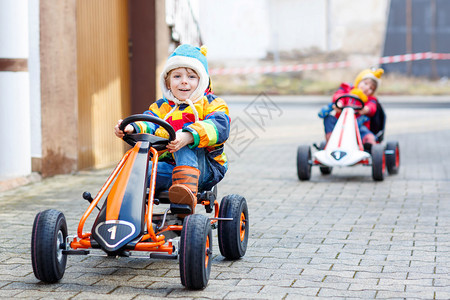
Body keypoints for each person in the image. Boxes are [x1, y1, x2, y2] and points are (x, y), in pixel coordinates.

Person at [114, 44, 230, 214]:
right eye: (177, 76)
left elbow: (220, 127)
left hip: (206, 168)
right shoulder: (161, 108)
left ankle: (183, 199)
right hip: (170, 169)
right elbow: (150, 123)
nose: (184, 81)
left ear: (202, 81)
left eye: (191, 76)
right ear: (167, 83)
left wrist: (189, 136)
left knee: (181, 141)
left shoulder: (211, 104)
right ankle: (125, 214)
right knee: (137, 170)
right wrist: (132, 127)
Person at [318, 68, 384, 145]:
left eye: (371, 89)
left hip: (357, 124)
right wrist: (339, 103)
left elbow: (372, 107)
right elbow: (338, 94)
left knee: (363, 130)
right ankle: (331, 139)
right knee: (329, 119)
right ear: (359, 81)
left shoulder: (370, 99)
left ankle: (369, 142)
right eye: (365, 84)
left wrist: (366, 109)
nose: (367, 88)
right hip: (340, 123)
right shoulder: (347, 88)